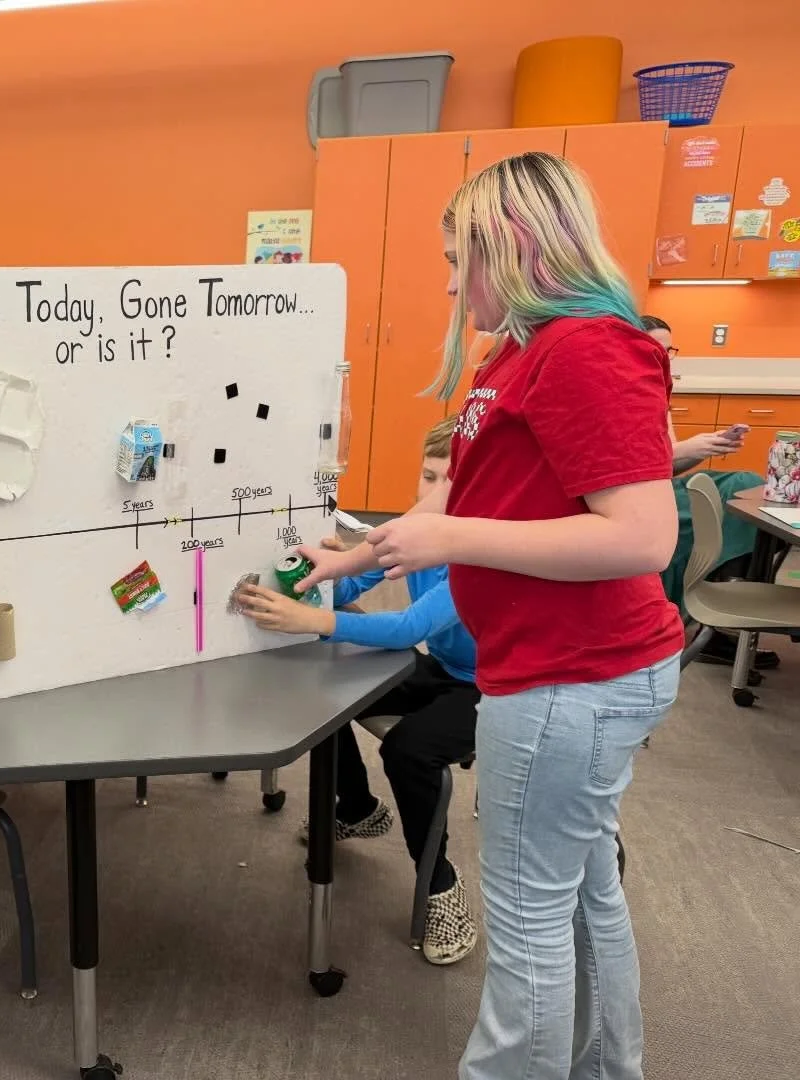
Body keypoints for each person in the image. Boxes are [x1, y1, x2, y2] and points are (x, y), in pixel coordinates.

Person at [294, 152, 683, 1080]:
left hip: (571, 679)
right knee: (583, 899)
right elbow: (468, 494)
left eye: (454, 258)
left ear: (509, 247)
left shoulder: (589, 347)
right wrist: (351, 560)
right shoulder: (516, 350)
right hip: (561, 672)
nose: (447, 282)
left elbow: (640, 539)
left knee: (529, 922)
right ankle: (604, 1069)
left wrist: (458, 539)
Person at [238, 415, 480, 965]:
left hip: (498, 688)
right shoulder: (410, 531)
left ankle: (438, 882)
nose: (435, 494)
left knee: (409, 750)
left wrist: (316, 622)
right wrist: (326, 571)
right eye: (428, 476)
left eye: (453, 482)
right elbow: (354, 583)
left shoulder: (473, 553)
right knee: (333, 692)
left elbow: (407, 628)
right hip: (444, 670)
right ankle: (357, 808)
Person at [641, 314, 778, 669]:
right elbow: (641, 469)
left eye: (668, 350)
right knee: (715, 512)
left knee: (746, 485)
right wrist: (692, 448)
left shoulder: (658, 389)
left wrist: (708, 447)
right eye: (657, 348)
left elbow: (668, 467)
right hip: (641, 496)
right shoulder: (626, 391)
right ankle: (709, 617)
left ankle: (729, 612)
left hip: (661, 486)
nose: (664, 358)